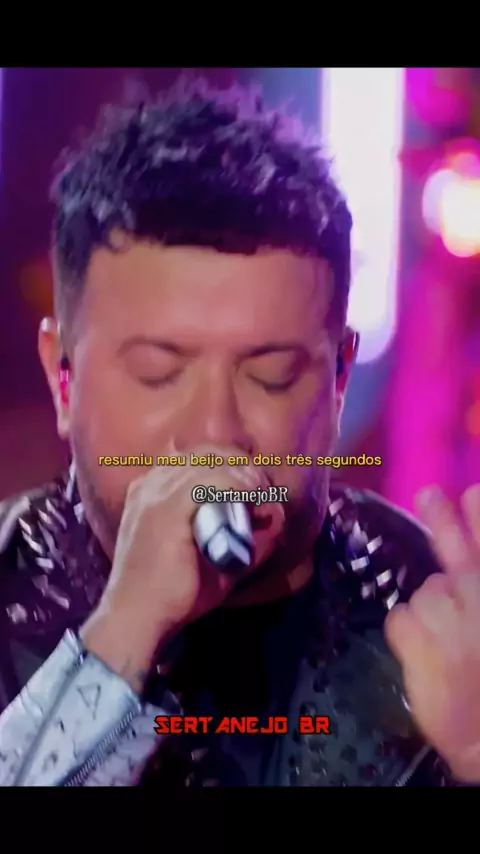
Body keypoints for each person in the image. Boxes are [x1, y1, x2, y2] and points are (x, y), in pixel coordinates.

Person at [0, 81, 479, 788]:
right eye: (160, 373)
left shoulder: (432, 613)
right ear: (62, 378)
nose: (216, 432)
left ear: (339, 380)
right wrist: (123, 632)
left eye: (272, 376)